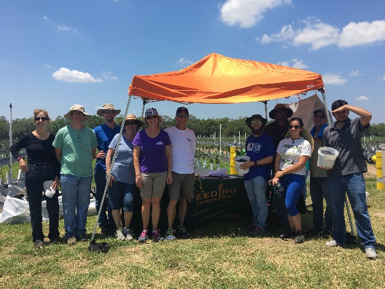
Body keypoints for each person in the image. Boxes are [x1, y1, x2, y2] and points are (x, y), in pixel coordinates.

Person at [322, 100, 377, 259]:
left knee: (360, 209)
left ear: (348, 111)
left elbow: (368, 115)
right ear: (332, 113)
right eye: (337, 111)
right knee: (336, 210)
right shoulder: (328, 130)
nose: (341, 114)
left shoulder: (355, 124)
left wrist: (347, 106)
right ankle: (339, 238)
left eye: (344, 111)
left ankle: (368, 243)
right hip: (333, 175)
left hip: (354, 173)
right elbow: (325, 152)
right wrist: (325, 164)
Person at [10, 109, 60, 248]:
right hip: (33, 173)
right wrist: (20, 159)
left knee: (53, 206)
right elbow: (13, 148)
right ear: (34, 121)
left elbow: (57, 158)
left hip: (50, 173)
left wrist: (57, 176)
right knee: (35, 206)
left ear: (48, 121)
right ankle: (38, 238)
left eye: (43, 118)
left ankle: (54, 234)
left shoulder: (53, 138)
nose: (40, 121)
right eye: (38, 118)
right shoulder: (28, 137)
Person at [53, 104, 98, 244]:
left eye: (80, 114)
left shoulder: (90, 132)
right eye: (75, 113)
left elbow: (92, 152)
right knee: (69, 204)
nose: (78, 116)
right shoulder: (62, 132)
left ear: (84, 116)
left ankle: (81, 231)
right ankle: (70, 233)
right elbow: (58, 153)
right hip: (68, 174)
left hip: (86, 174)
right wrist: (68, 165)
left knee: (83, 204)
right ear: (71, 116)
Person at [133, 108, 173, 243]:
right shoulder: (140, 135)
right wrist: (138, 174)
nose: (152, 120)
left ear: (158, 118)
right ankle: (144, 230)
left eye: (154, 117)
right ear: (146, 120)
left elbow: (168, 155)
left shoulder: (164, 135)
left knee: (156, 202)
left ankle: (155, 230)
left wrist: (169, 173)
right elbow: (136, 156)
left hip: (161, 173)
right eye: (149, 118)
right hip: (145, 173)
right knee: (146, 202)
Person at [272, 117, 312, 244]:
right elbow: (278, 160)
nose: (293, 129)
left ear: (301, 128)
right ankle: (292, 229)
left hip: (296, 176)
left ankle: (300, 231)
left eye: (296, 127)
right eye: (291, 127)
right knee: (286, 203)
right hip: (283, 176)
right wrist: (277, 175)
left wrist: (282, 172)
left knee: (290, 204)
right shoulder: (283, 142)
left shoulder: (305, 144)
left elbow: (301, 164)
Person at [105, 114, 144, 241]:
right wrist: (108, 171)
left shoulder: (139, 138)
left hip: (131, 178)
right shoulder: (118, 137)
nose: (130, 126)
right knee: (115, 204)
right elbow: (108, 155)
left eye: (133, 123)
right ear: (124, 126)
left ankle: (126, 227)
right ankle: (118, 229)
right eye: (127, 124)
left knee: (128, 202)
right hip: (115, 176)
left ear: (137, 125)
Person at [239, 114, 275, 235]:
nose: (256, 124)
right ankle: (255, 222)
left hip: (260, 174)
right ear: (250, 124)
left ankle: (261, 224)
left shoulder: (267, 139)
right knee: (252, 200)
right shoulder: (249, 139)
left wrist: (253, 163)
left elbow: (270, 158)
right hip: (248, 174)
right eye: (253, 122)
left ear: (262, 124)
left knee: (260, 200)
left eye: (258, 122)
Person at [164, 107, 196, 240]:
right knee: (173, 201)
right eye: (180, 115)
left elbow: (192, 151)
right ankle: (169, 228)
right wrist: (169, 172)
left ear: (188, 118)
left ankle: (180, 225)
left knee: (184, 200)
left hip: (189, 171)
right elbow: (165, 153)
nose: (183, 118)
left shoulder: (191, 133)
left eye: (185, 116)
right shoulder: (168, 132)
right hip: (175, 171)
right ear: (175, 117)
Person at [264, 104, 294, 226]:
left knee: (292, 191)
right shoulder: (269, 128)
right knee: (278, 191)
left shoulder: (292, 126)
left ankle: (293, 216)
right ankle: (282, 220)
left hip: (291, 164)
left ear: (286, 113)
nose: (280, 114)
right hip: (274, 164)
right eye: (277, 112)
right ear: (274, 114)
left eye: (282, 111)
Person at [94, 103, 121, 234]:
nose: (109, 114)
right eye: (106, 112)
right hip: (101, 168)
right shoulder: (97, 130)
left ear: (115, 114)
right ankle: (103, 223)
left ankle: (112, 222)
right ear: (103, 115)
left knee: (113, 197)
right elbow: (89, 147)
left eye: (111, 112)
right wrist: (94, 155)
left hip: (116, 169)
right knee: (100, 197)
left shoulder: (121, 130)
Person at [309, 108, 332, 237]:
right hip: (313, 174)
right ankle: (317, 227)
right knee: (316, 203)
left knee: (330, 204)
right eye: (316, 116)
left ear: (326, 120)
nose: (318, 118)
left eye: (321, 117)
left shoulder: (329, 133)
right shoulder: (310, 135)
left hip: (326, 175)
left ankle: (329, 228)